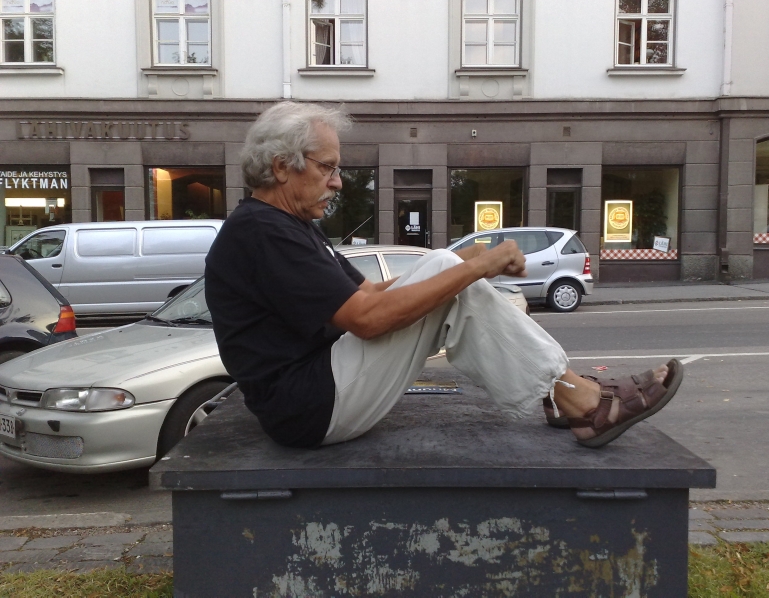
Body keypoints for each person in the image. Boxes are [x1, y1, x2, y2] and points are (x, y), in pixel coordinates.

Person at [204, 101, 682, 450]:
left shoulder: (284, 226)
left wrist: (464, 263)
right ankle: (584, 404)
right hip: (309, 407)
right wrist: (472, 268)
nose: (337, 181)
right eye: (328, 167)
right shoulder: (263, 231)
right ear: (282, 167)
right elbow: (368, 318)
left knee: (445, 267)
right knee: (449, 270)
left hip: (316, 394)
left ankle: (567, 394)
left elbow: (369, 293)